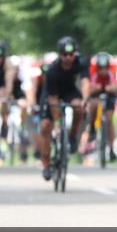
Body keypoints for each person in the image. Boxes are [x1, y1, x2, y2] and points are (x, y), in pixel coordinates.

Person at [35, 37, 90, 181]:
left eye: (71, 54)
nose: (68, 57)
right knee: (45, 126)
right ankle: (46, 165)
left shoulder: (81, 62)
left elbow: (85, 81)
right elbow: (53, 99)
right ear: (60, 55)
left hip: (69, 90)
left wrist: (85, 99)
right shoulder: (53, 70)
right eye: (64, 54)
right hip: (51, 93)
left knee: (79, 107)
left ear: (75, 54)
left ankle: (72, 137)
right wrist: (58, 122)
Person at [81, 52, 117, 163]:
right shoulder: (93, 70)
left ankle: (111, 148)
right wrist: (96, 88)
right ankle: (93, 126)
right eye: (100, 67)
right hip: (96, 93)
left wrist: (110, 88)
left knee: (109, 119)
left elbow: (115, 86)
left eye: (105, 67)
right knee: (93, 104)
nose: (103, 70)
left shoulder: (112, 70)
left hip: (109, 94)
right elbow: (90, 88)